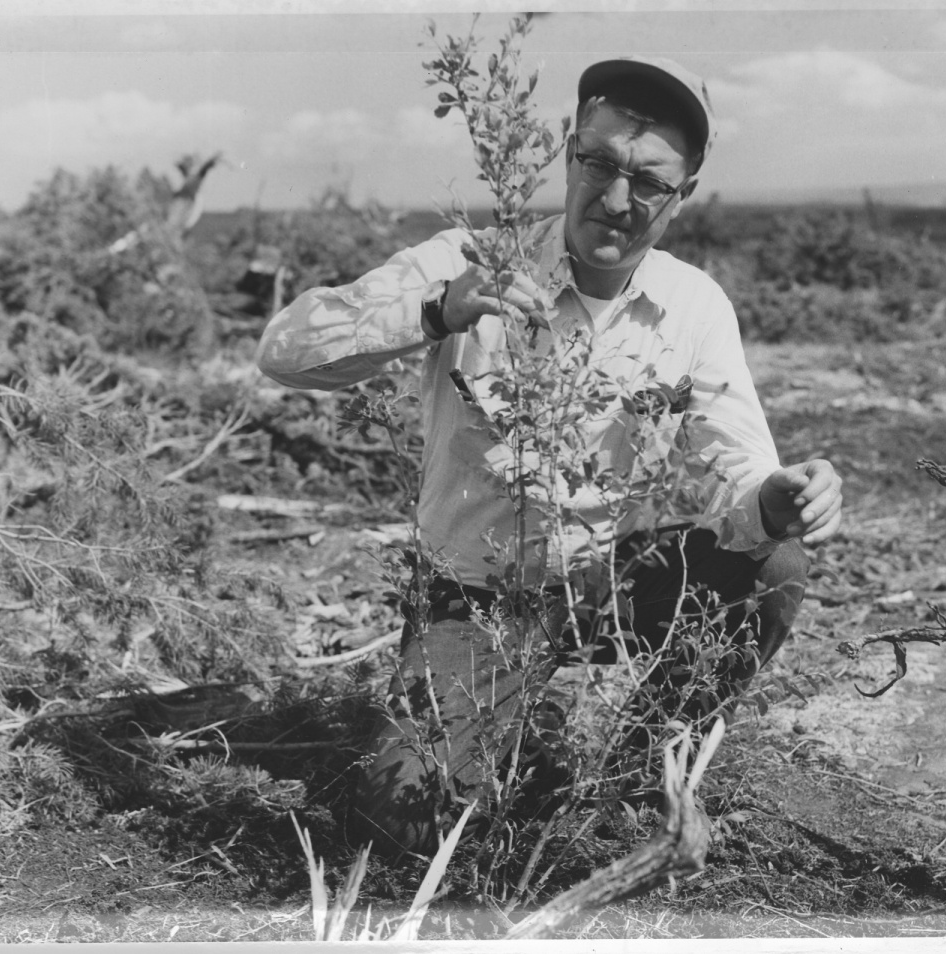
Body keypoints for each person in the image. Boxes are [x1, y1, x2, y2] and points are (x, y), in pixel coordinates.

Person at [256, 55, 843, 857]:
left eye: (648, 181)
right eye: (599, 164)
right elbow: (284, 350)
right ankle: (498, 719)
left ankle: (639, 777)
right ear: (568, 155)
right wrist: (437, 310)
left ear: (683, 196)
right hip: (476, 598)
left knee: (774, 567)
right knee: (401, 838)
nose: (615, 199)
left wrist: (781, 498)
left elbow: (743, 476)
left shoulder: (696, 306)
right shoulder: (471, 261)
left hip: (606, 581)